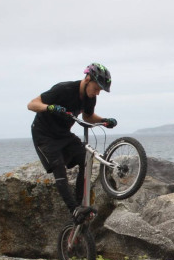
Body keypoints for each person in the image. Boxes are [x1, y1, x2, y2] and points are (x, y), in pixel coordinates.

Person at [27, 62, 117, 223]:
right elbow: (32, 104)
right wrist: (50, 107)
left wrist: (104, 121)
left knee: (86, 158)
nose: (98, 93)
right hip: (44, 135)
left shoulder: (90, 98)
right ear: (88, 79)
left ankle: (81, 204)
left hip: (63, 135)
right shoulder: (64, 89)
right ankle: (74, 210)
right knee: (58, 166)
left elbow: (88, 117)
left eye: (100, 90)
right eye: (97, 88)